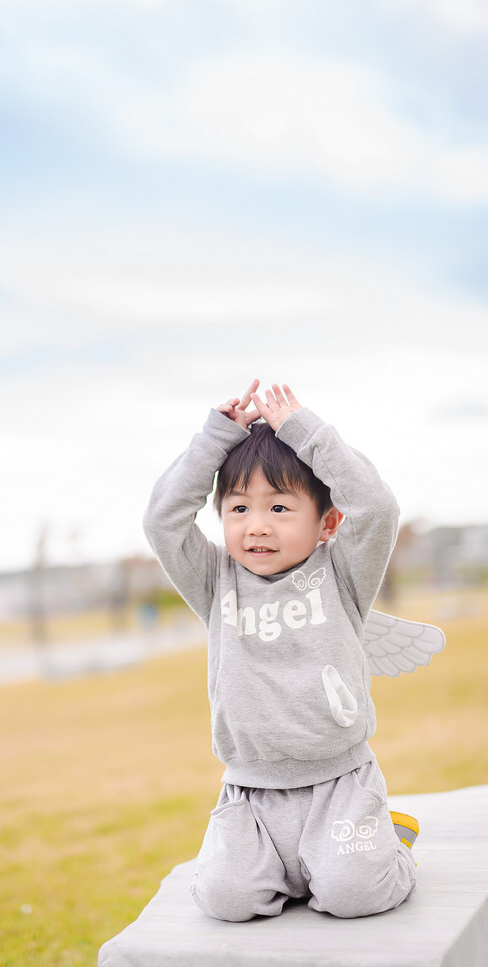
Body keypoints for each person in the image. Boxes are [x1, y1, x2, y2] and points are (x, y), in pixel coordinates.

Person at [143, 380, 418, 922]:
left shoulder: (342, 574)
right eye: (239, 507)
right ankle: (292, 869)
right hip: (250, 792)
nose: (257, 526)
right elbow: (162, 521)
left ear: (327, 523)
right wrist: (215, 440)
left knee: (352, 896)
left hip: (339, 783)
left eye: (280, 507)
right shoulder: (214, 579)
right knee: (225, 900)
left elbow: (378, 508)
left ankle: (391, 845)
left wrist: (304, 432)